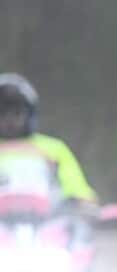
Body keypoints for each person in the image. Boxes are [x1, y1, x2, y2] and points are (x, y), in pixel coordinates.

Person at [0, 73, 98, 212]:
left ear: (29, 114)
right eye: (2, 112)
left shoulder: (54, 149)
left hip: (46, 225)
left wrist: (84, 204)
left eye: (16, 112)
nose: (9, 120)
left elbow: (77, 189)